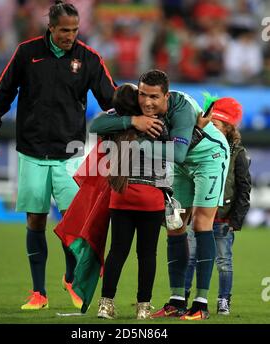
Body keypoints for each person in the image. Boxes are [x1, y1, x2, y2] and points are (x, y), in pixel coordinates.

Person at [0, 0, 116, 310]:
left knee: (73, 222)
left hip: (70, 153)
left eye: (75, 30)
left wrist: (131, 113)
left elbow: (111, 96)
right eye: (64, 30)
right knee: (36, 220)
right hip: (31, 151)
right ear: (50, 28)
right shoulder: (27, 53)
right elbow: (3, 91)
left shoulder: (89, 58)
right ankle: (38, 293)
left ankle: (70, 276)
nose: (70, 36)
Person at [89, 69, 230, 320]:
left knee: (200, 224)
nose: (147, 102)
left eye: (154, 97)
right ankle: (176, 300)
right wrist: (131, 122)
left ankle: (201, 304)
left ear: (166, 96)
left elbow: (177, 154)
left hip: (209, 157)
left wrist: (134, 143)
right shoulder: (141, 110)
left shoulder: (182, 109)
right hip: (181, 164)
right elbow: (97, 124)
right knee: (175, 227)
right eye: (143, 95)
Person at [90, 83, 171, 320]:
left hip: (121, 196)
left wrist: (127, 119)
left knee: (117, 253)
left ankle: (105, 305)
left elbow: (96, 124)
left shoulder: (114, 127)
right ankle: (143, 308)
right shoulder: (158, 124)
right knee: (147, 255)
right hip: (151, 198)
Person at [185, 94, 251, 315]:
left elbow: (244, 188)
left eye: (216, 124)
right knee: (190, 258)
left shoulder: (238, 154)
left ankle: (223, 300)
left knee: (224, 262)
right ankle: (182, 296)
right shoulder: (199, 148)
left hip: (222, 219)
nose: (211, 128)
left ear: (229, 128)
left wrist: (236, 220)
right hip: (199, 216)